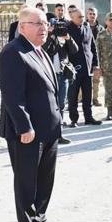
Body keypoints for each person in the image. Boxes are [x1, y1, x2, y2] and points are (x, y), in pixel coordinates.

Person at [0, 7, 68, 222]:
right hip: (27, 133)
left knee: (44, 179)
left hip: (48, 130)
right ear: (22, 26)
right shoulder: (13, 52)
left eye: (45, 24)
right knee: (27, 181)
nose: (44, 28)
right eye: (37, 24)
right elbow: (12, 95)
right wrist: (24, 126)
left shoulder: (40, 51)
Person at [42, 16, 78, 145]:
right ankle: (48, 133)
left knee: (61, 104)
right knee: (50, 105)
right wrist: (51, 35)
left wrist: (68, 38)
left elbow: (75, 50)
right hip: (50, 76)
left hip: (62, 75)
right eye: (56, 27)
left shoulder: (65, 38)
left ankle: (59, 134)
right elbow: (43, 50)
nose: (59, 30)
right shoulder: (47, 38)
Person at [66, 8, 102, 127]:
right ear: (72, 17)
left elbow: (93, 47)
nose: (82, 19)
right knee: (73, 95)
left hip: (87, 67)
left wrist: (96, 64)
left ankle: (89, 117)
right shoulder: (67, 29)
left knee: (88, 94)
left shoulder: (87, 28)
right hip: (74, 67)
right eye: (79, 17)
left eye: (82, 17)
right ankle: (74, 119)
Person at [86, 7, 104, 107]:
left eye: (94, 14)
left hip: (97, 58)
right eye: (90, 14)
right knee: (85, 80)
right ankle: (83, 99)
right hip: (86, 57)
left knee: (96, 80)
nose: (92, 15)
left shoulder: (101, 29)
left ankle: (95, 99)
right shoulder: (83, 26)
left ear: (96, 15)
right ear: (87, 15)